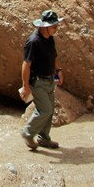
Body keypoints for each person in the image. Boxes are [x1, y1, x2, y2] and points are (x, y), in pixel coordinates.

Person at [21, 9, 65, 150]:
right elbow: (26, 65)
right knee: (45, 110)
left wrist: (59, 71)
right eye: (54, 26)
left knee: (50, 109)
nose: (56, 28)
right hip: (37, 81)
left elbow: (54, 56)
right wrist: (26, 86)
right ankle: (28, 133)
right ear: (45, 26)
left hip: (49, 79)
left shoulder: (49, 38)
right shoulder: (33, 42)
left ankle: (44, 138)